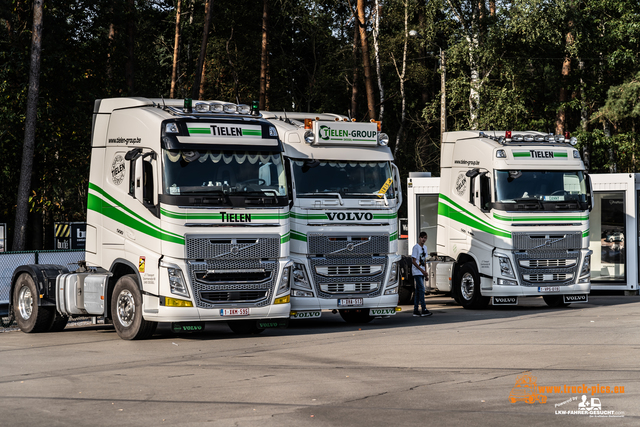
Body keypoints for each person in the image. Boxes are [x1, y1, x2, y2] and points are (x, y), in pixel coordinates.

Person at [411, 231, 432, 317]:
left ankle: (416, 310)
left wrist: (425, 272)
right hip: (417, 271)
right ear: (419, 238)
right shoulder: (416, 247)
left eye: (425, 238)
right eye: (422, 237)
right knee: (422, 290)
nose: (424, 239)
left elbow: (424, 260)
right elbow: (413, 261)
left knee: (418, 291)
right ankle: (424, 309)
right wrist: (422, 271)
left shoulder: (425, 248)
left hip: (422, 271)